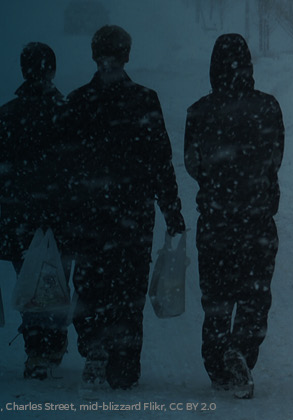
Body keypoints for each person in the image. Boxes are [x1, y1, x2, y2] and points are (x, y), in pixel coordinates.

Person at [58, 25, 186, 390]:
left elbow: (64, 166)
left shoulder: (78, 101)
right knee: (127, 290)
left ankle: (96, 347)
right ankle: (122, 359)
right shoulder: (145, 100)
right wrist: (171, 210)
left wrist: (61, 211)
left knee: (91, 283)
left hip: (90, 215)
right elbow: (160, 161)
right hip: (132, 215)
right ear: (126, 56)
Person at [184, 33, 284, 399]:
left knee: (217, 297)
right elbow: (276, 157)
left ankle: (218, 362)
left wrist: (219, 179)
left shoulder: (198, 112)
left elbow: (192, 165)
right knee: (255, 294)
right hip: (257, 218)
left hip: (216, 220)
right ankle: (240, 349)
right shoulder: (268, 107)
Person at [0, 42, 69, 380]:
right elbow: (78, 167)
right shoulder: (66, 112)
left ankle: (37, 349)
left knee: (29, 284)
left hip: (20, 215)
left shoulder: (7, 115)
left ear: (23, 71)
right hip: (61, 215)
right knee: (56, 282)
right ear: (52, 70)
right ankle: (54, 341)